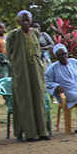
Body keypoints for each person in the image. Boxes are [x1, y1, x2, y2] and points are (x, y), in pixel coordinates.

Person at [7, 10, 50, 141]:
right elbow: (9, 54)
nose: (26, 23)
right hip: (22, 73)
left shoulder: (36, 33)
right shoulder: (13, 35)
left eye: (28, 20)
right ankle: (30, 133)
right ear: (18, 22)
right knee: (25, 100)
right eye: (23, 20)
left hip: (36, 71)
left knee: (39, 99)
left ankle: (42, 131)